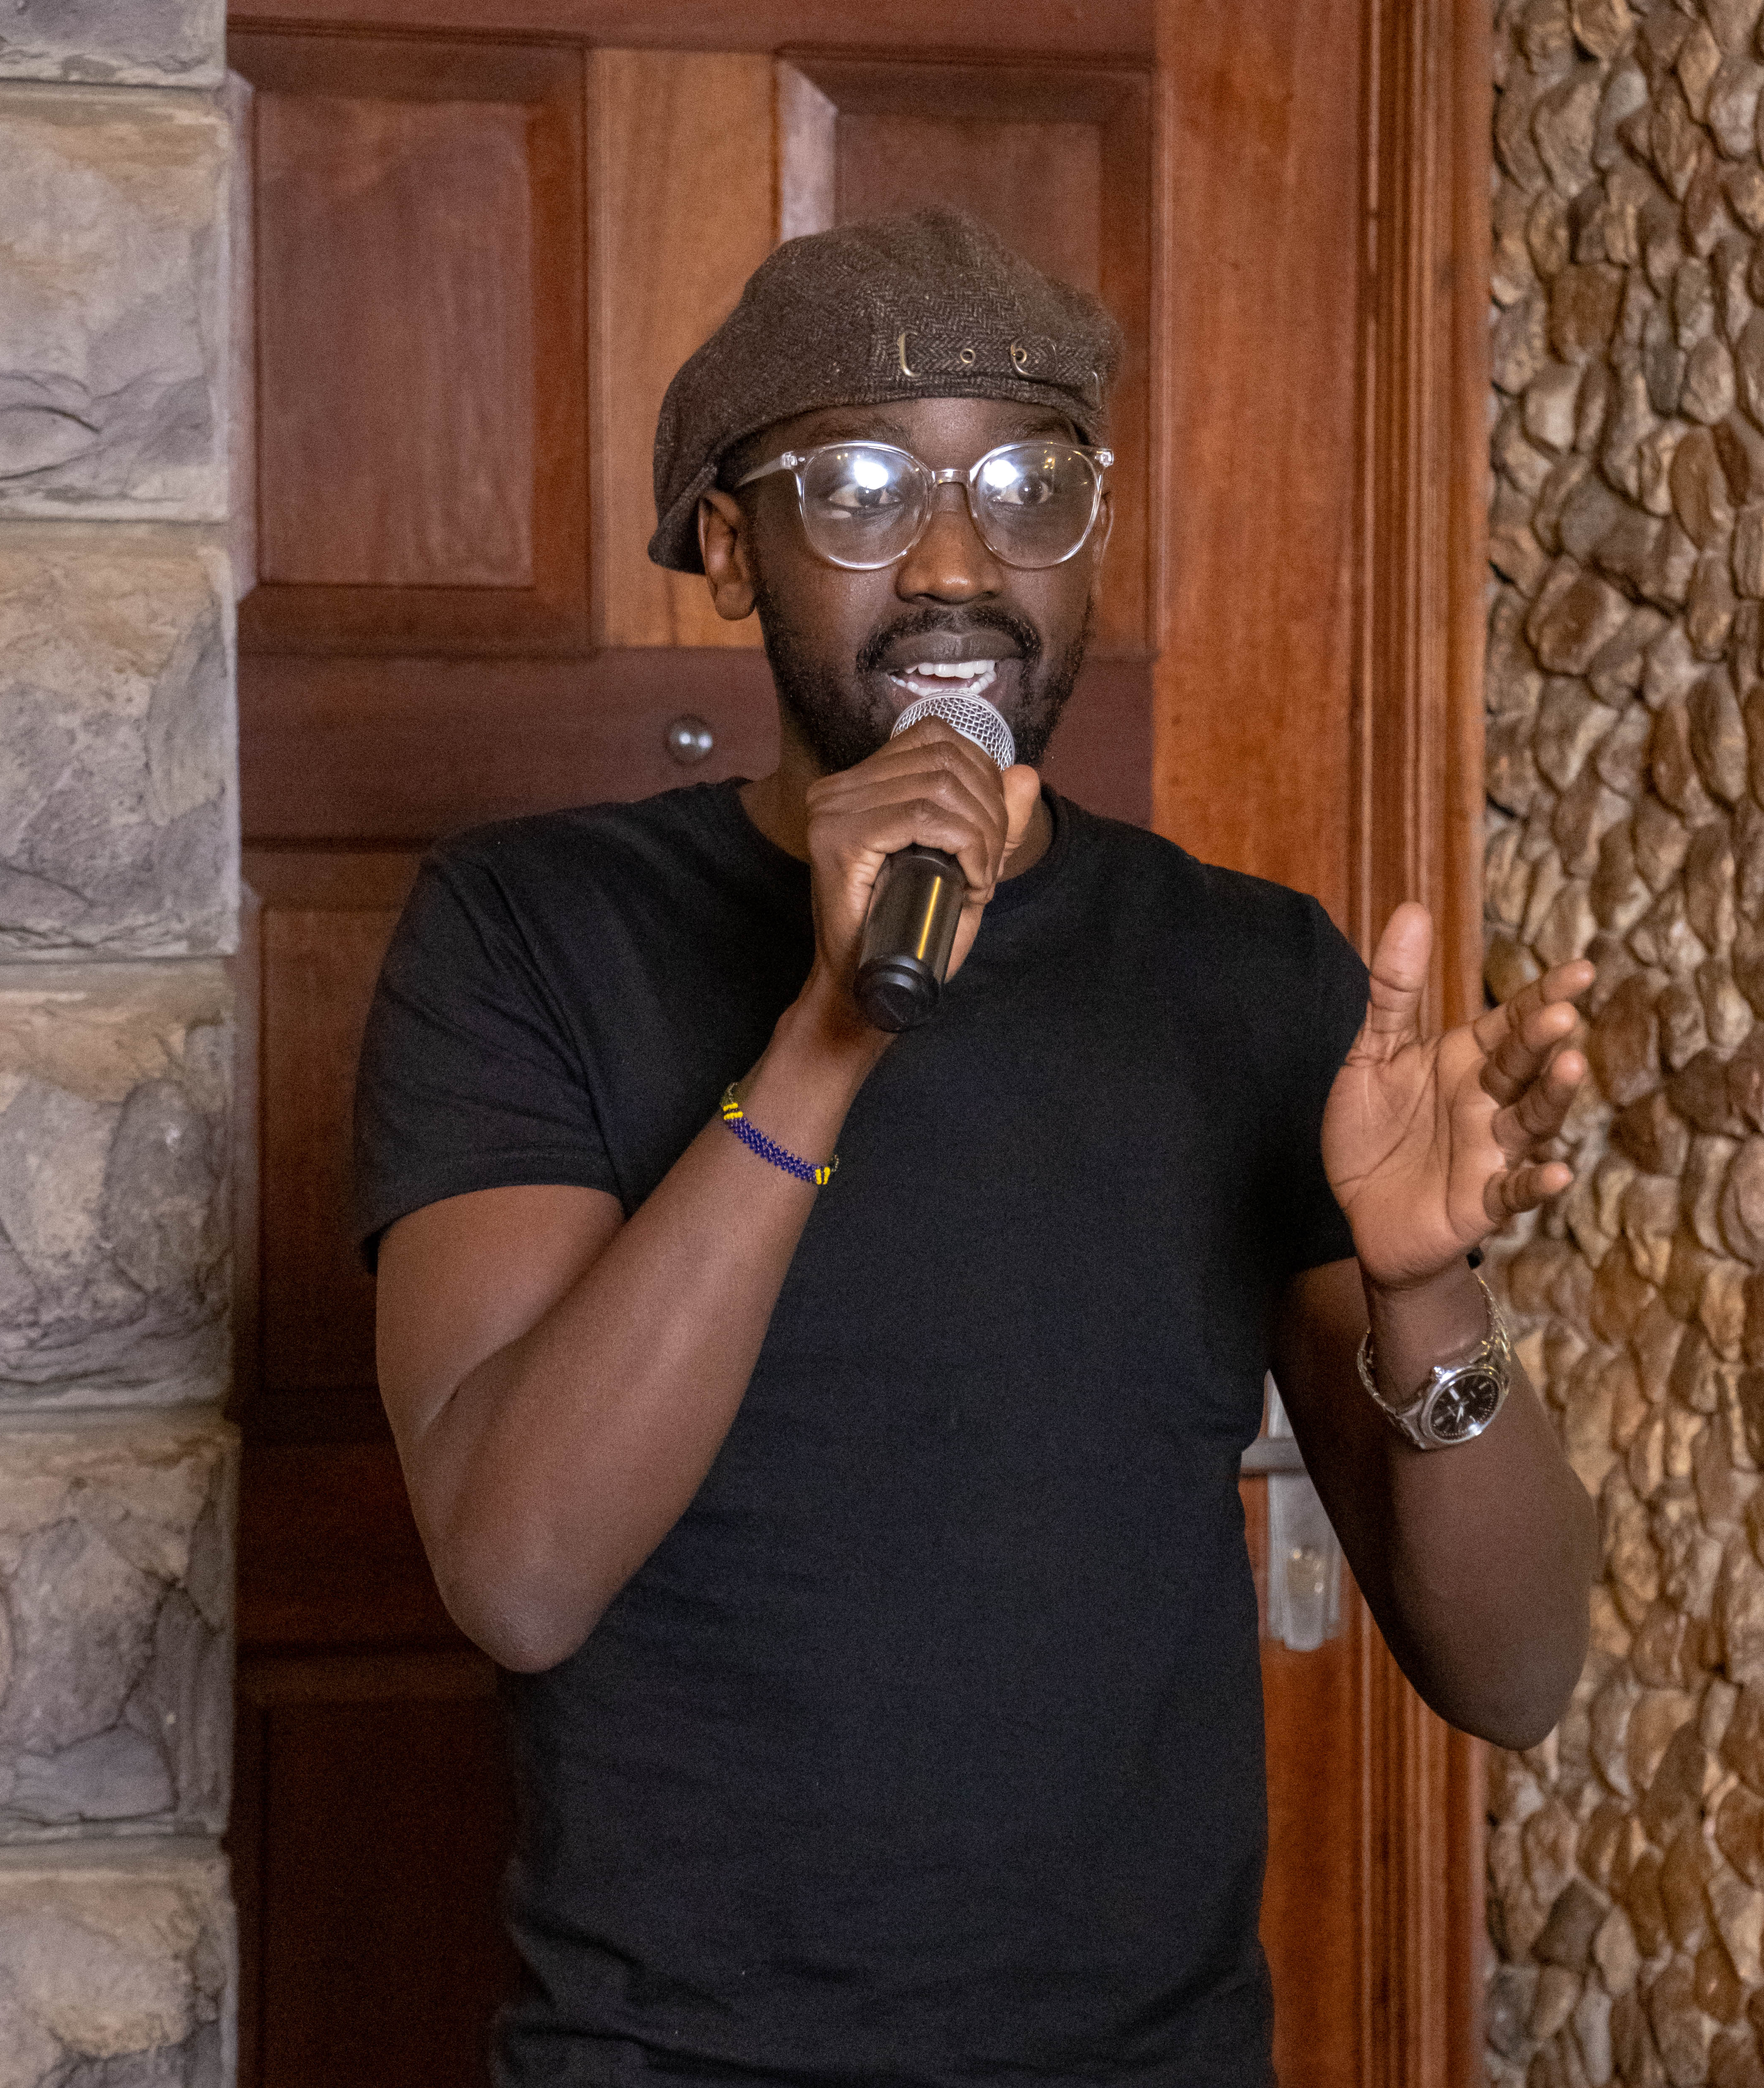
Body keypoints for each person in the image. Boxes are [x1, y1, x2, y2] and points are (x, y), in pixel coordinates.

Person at [354, 210, 1597, 2088]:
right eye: (856, 487)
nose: (954, 561)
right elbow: (518, 1572)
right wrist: (830, 1038)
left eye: (1027, 485)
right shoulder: (534, 931)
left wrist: (1427, 1294)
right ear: (721, 542)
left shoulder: (1247, 974)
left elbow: (1509, 1678)